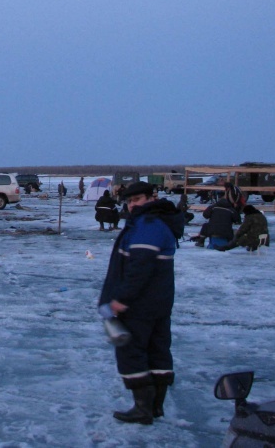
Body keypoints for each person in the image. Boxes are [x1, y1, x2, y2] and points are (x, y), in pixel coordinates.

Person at [99, 182, 180, 425]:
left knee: (132, 353)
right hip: (158, 303)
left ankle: (143, 408)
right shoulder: (151, 222)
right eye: (129, 201)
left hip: (140, 306)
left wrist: (121, 300)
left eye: (138, 200)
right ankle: (155, 407)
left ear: (150, 198)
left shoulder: (149, 225)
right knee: (157, 352)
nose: (133, 205)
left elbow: (140, 269)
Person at [195, 185, 242, 249]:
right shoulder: (231, 210)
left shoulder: (213, 207)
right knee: (232, 230)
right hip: (226, 232)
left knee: (205, 226)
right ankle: (230, 243)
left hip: (212, 230)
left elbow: (205, 215)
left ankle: (201, 241)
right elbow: (238, 220)